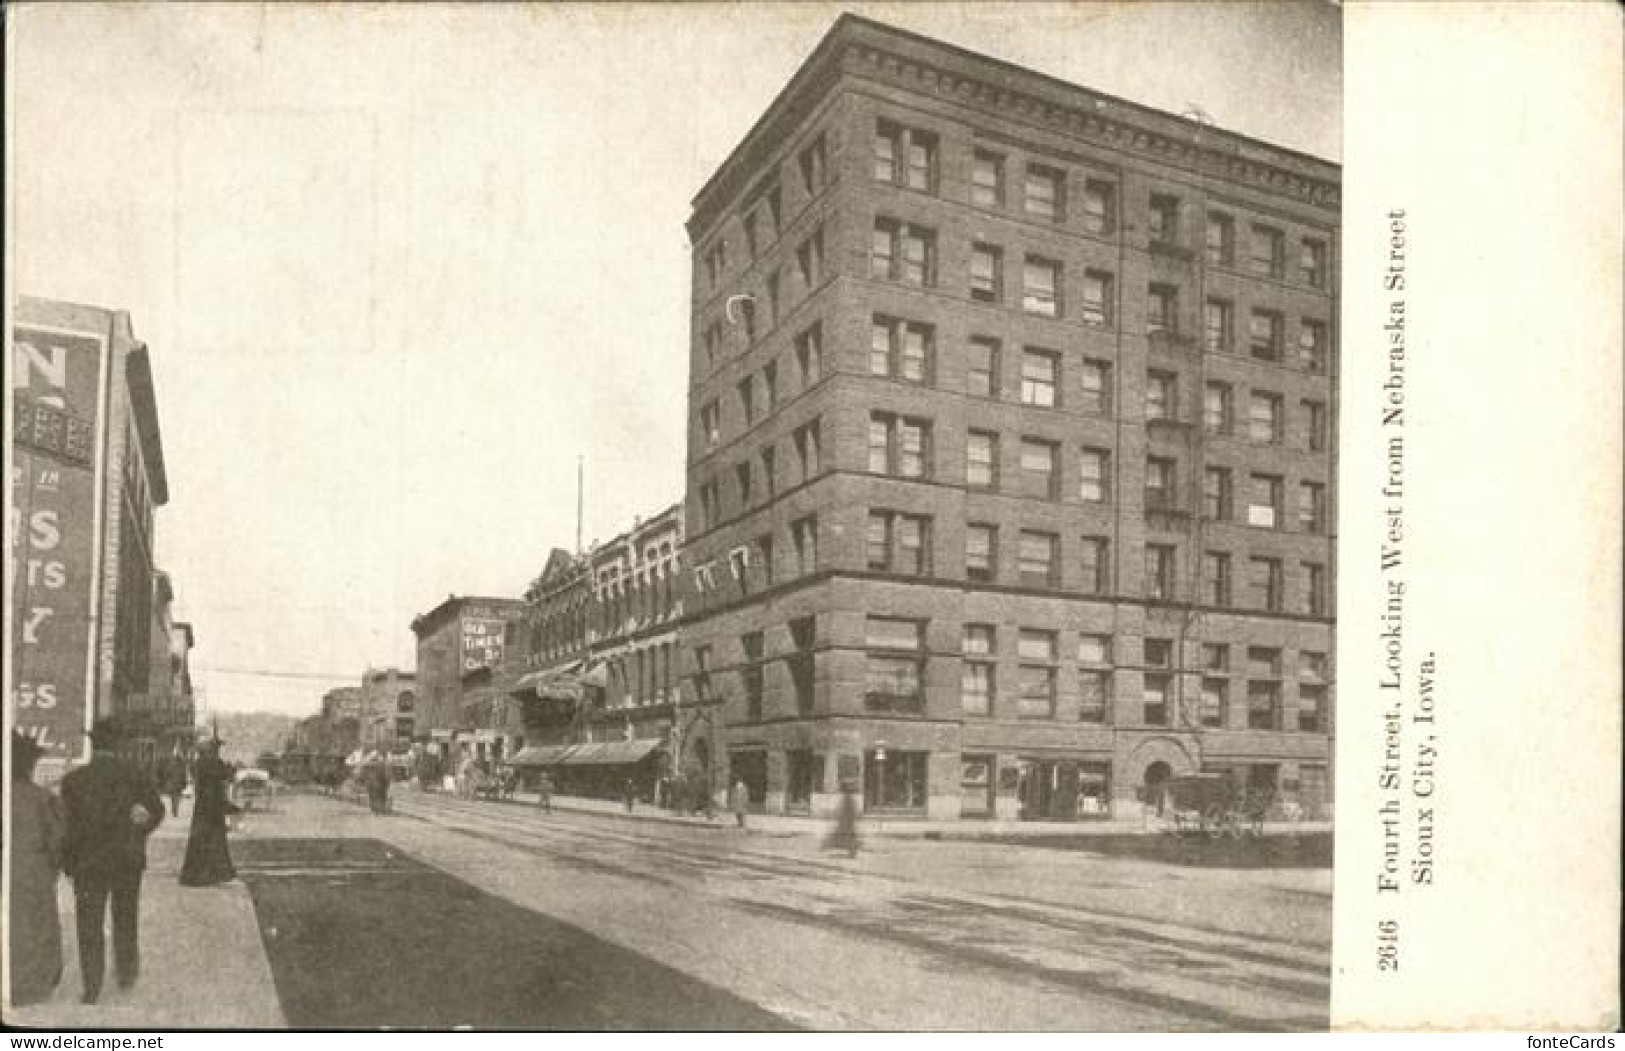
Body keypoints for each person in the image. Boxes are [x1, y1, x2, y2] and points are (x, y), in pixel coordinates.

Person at [59, 720, 164, 1004]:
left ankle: (91, 988)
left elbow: (66, 829)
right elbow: (156, 810)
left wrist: (68, 865)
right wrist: (143, 826)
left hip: (88, 863)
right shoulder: (137, 776)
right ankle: (126, 975)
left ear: (93, 745)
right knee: (125, 917)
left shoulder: (74, 781)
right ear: (119, 746)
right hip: (127, 859)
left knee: (89, 923)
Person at [8, 732, 65, 1006]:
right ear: (29, 764)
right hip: (32, 870)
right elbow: (57, 840)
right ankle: (26, 985)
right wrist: (53, 866)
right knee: (34, 926)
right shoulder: (43, 799)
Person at [179, 737, 236, 887]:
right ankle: (208, 874)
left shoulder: (201, 764)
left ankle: (200, 874)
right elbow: (224, 777)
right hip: (211, 808)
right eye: (215, 749)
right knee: (212, 841)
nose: (217, 752)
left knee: (203, 841)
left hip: (204, 808)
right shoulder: (212, 764)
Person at [825, 780, 862, 859]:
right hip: (847, 821)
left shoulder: (847, 798)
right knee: (848, 836)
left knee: (846, 836)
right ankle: (852, 851)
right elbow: (851, 809)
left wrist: (839, 815)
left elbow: (848, 809)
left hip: (847, 821)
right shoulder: (848, 798)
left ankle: (852, 851)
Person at [159, 752, 187, 817]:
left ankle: (174, 809)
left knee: (174, 798)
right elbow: (184, 776)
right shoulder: (182, 767)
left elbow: (167, 774)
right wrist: (184, 783)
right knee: (176, 798)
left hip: (173, 784)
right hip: (177, 785)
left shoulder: (173, 766)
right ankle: (175, 809)